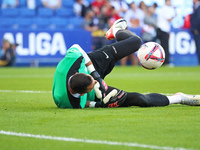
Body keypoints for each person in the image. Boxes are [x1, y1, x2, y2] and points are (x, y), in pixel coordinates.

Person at [52, 19, 200, 109]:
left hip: (94, 61)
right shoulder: (67, 102)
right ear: (84, 93)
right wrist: (101, 103)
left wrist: (95, 75)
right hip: (98, 92)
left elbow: (77, 47)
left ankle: (115, 31)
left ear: (79, 72)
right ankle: (179, 98)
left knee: (136, 42)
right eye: (91, 86)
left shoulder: (72, 63)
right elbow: (83, 104)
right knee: (139, 100)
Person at [156, 0, 176, 66]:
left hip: (162, 30)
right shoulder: (166, 9)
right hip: (163, 30)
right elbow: (169, 19)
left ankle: (164, 62)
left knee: (163, 46)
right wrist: (174, 15)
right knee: (165, 47)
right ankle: (166, 62)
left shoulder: (163, 9)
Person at [190, 0, 200, 65]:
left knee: (199, 47)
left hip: (198, 31)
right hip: (196, 31)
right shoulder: (195, 7)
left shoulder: (198, 7)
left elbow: (198, 19)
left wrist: (196, 29)